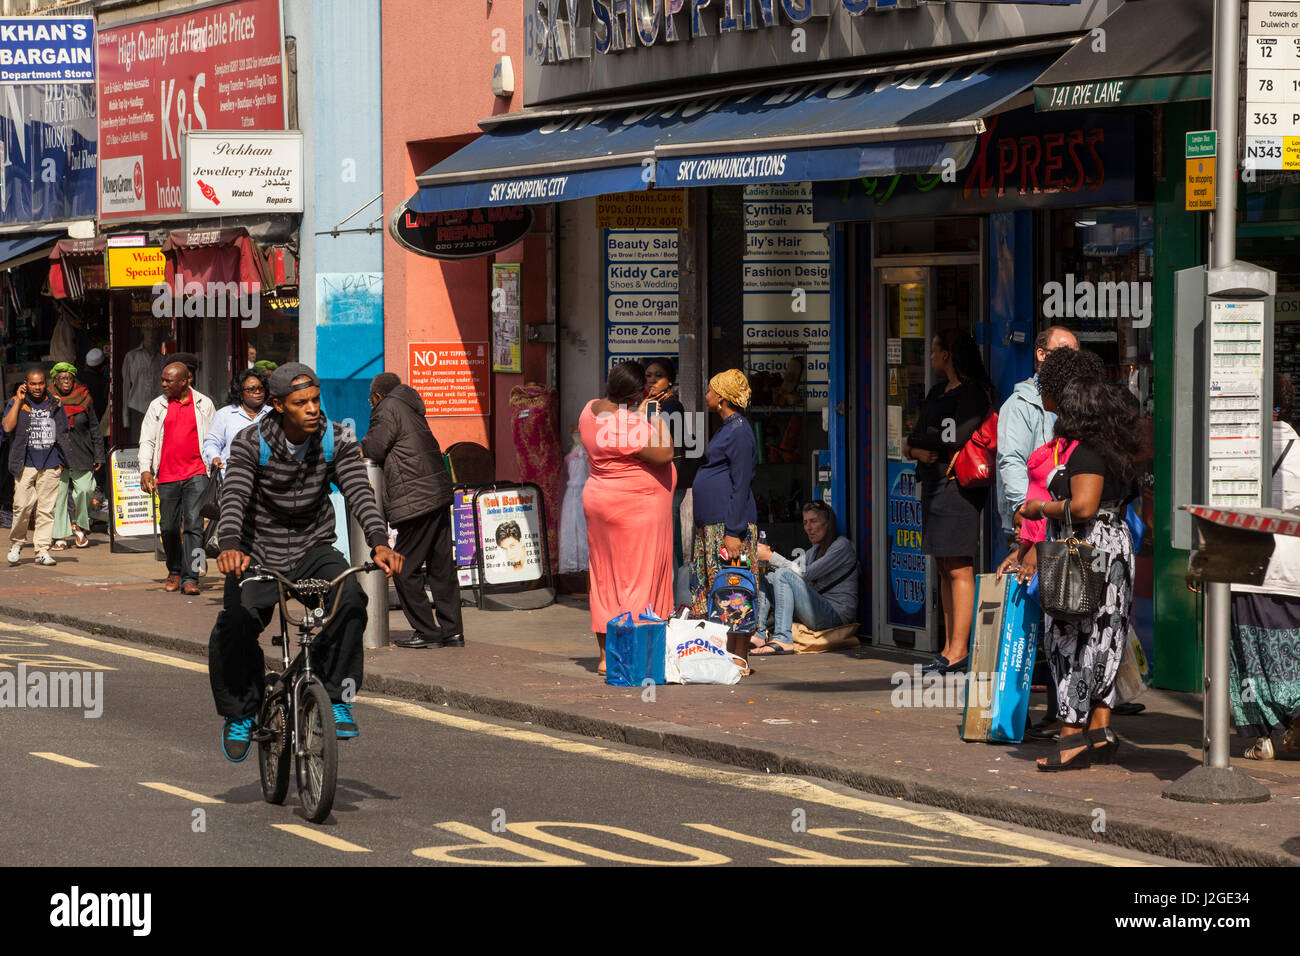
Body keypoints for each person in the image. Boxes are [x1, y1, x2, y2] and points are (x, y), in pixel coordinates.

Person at [211, 363, 402, 760]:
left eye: (316, 400)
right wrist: (230, 545)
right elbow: (235, 496)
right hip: (257, 551)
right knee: (236, 623)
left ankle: (335, 695)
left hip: (313, 547)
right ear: (278, 406)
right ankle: (241, 713)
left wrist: (379, 541)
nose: (313, 409)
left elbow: (359, 492)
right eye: (301, 403)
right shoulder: (251, 442)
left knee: (351, 599)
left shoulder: (336, 439)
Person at [1018, 377, 1143, 771]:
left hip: (1084, 553)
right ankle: (1101, 732)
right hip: (1114, 552)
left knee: (1070, 637)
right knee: (1106, 636)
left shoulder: (1087, 453)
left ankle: (1071, 736)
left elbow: (1084, 507)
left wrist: (1041, 509)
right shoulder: (1117, 451)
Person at [998, 346, 1104, 737]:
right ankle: (1074, 721)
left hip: (1076, 550)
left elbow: (1057, 504)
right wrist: (1026, 544)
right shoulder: (1061, 444)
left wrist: (1030, 547)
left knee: (1075, 638)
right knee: (1079, 638)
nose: (1041, 395)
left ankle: (1075, 727)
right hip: (1069, 549)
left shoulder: (1079, 447)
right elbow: (1033, 497)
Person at [902, 329, 994, 675]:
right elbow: (915, 432)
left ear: (948, 355)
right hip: (933, 484)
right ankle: (946, 648)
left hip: (958, 486)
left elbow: (956, 434)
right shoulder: (938, 391)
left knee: (958, 565)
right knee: (943, 566)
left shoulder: (973, 394)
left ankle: (959, 651)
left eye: (934, 349)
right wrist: (914, 447)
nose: (930, 357)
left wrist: (922, 442)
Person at [580, 361, 675, 676]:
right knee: (636, 581)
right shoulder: (627, 423)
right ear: (634, 394)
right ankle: (631, 657)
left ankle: (607, 658)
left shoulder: (589, 410)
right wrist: (655, 419)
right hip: (633, 509)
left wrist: (636, 417)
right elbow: (664, 453)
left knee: (605, 579)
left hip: (600, 502)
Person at [361, 371, 463, 650]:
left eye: (371, 400)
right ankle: (452, 631)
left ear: (378, 396)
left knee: (403, 568)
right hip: (437, 494)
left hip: (415, 499)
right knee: (441, 566)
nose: (371, 405)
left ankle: (427, 631)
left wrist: (361, 446)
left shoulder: (387, 408)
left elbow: (375, 447)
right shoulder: (411, 406)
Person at [1229, 373, 1300, 759]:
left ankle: (1267, 736)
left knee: (1251, 660)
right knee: (1293, 654)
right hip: (1293, 574)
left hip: (1249, 570)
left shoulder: (1237, 449)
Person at [996, 325, 1078, 549]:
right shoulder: (1020, 405)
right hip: (1033, 520)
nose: (1069, 361)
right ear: (1041, 354)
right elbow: (1011, 461)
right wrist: (1027, 513)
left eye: (1074, 354)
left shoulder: (1077, 402)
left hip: (1064, 519)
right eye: (1063, 352)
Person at [139, 362, 216, 595]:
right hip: (168, 475)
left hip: (197, 473)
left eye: (168, 380)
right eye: (162, 380)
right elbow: (148, 440)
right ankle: (174, 569)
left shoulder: (204, 404)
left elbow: (213, 438)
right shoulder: (157, 406)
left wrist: (215, 463)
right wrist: (145, 470)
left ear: (185, 381)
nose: (163, 384)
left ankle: (191, 577)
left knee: (194, 525)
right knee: (169, 526)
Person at [751, 500, 859, 655]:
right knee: (766, 578)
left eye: (814, 521)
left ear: (828, 523)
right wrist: (767, 560)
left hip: (835, 616)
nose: (809, 528)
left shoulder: (842, 546)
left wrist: (771, 556)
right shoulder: (815, 550)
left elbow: (803, 574)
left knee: (783, 574)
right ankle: (759, 634)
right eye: (805, 523)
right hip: (815, 611)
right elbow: (791, 569)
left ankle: (783, 638)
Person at [3, 369, 69, 567]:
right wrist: (17, 400)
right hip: (25, 463)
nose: (37, 387)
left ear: (46, 383)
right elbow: (7, 427)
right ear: (26, 384)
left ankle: (42, 550)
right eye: (33, 384)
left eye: (40, 383)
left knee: (46, 510)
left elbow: (64, 430)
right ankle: (16, 544)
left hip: (50, 463)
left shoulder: (55, 403)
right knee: (22, 506)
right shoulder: (17, 403)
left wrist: (61, 461)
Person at [49, 363, 104, 550]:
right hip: (56, 454)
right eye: (62, 378)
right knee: (60, 495)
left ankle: (81, 526)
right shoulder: (47, 400)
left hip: (82, 452)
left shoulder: (84, 397)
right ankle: (61, 536)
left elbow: (94, 427)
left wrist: (99, 455)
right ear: (55, 380)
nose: (66, 382)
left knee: (86, 490)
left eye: (69, 378)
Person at [202, 369, 270, 475]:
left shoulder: (272, 414)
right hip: (232, 477)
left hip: (266, 479)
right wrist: (215, 457)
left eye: (260, 388)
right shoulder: (224, 414)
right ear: (240, 393)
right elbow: (212, 442)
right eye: (252, 389)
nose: (257, 392)